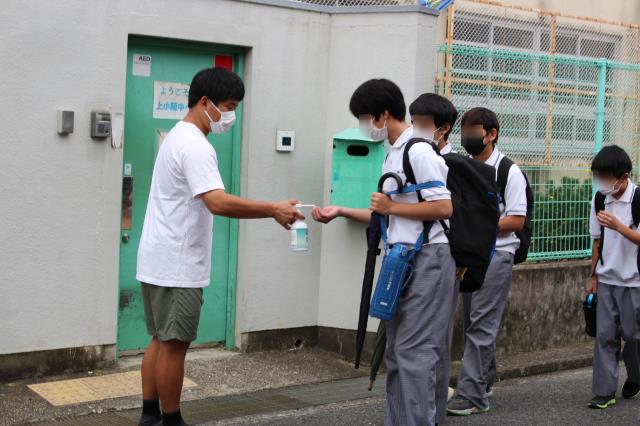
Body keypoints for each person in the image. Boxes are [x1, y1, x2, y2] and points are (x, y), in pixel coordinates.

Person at [136, 67, 303, 426]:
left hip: (157, 258)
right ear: (204, 102)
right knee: (174, 344)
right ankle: (171, 418)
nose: (232, 116)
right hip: (177, 264)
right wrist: (272, 208)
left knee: (159, 339)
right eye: (229, 106)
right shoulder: (196, 145)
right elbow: (218, 202)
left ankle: (150, 415)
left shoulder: (176, 137)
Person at [313, 79, 456, 426]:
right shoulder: (394, 151)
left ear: (384, 114)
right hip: (403, 259)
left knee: (413, 352)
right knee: (398, 351)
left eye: (365, 117)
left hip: (428, 258)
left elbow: (444, 208)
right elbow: (390, 213)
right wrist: (344, 211)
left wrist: (391, 208)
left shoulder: (418, 151)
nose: (364, 126)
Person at [447, 107, 527, 416]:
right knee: (472, 321)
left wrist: (478, 226)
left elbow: (517, 219)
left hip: (497, 253)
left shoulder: (508, 171)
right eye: (465, 131)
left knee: (481, 323)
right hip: (470, 254)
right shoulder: (462, 168)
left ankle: (472, 395)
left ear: (491, 134)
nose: (468, 137)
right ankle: (484, 379)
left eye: (475, 131)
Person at [586, 145, 640, 409]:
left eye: (608, 177)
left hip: (635, 281)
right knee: (605, 336)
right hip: (607, 279)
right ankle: (604, 392)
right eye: (600, 176)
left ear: (624, 176)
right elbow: (597, 242)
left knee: (634, 336)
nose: (603, 182)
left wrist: (619, 226)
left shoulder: (638, 199)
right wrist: (593, 276)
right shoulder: (599, 199)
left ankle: (637, 377)